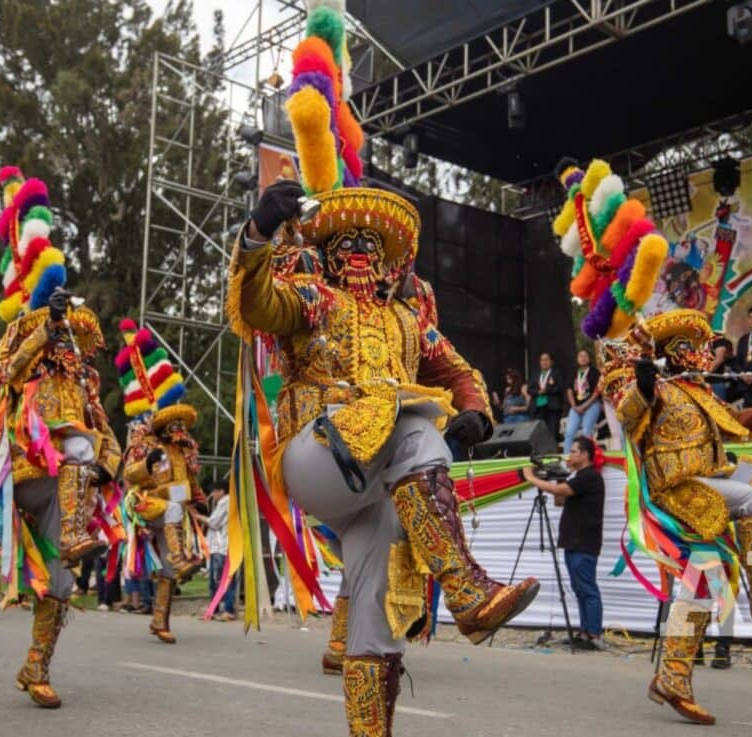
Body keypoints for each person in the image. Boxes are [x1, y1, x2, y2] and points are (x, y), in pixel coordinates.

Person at [229, 20, 538, 732]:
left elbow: (458, 369)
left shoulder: (406, 321)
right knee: (413, 418)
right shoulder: (311, 299)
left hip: (374, 482)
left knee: (373, 616)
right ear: (329, 250)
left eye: (372, 243)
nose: (361, 251)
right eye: (347, 241)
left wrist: (477, 412)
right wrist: (254, 237)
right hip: (316, 455)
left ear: (393, 257)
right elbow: (254, 304)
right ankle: (464, 587)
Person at [605, 309, 752, 725]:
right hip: (675, 489)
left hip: (705, 490)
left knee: (704, 580)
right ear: (676, 351)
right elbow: (628, 417)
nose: (704, 355)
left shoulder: (698, 391)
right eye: (696, 349)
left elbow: (742, 424)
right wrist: (643, 386)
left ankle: (672, 678)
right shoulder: (644, 381)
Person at [0, 167, 122, 708]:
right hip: (23, 471)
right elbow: (3, 377)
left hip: (70, 482)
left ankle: (35, 668)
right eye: (63, 337)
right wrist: (42, 328)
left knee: (60, 585)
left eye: (72, 340)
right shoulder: (16, 352)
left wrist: (109, 464)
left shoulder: (83, 384)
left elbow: (103, 432)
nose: (69, 347)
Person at [116, 321, 205, 643]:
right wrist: (146, 464)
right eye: (173, 423)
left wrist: (198, 498)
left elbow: (190, 482)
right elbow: (129, 475)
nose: (179, 427)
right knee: (169, 517)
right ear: (162, 425)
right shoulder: (146, 443)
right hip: (146, 504)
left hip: (175, 512)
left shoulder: (182, 450)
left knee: (169, 570)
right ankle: (182, 560)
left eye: (181, 423)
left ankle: (160, 622)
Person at [521, 437, 607, 650]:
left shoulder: (590, 476)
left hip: (583, 542)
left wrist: (532, 479)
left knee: (587, 588)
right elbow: (560, 501)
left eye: (575, 451)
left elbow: (561, 492)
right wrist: (558, 476)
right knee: (579, 588)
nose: (571, 455)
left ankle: (594, 634)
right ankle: (585, 631)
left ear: (586, 454)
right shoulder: (578, 476)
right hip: (573, 541)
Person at [205, 481, 236, 621]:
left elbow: (213, 522)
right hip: (219, 545)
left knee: (223, 579)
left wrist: (198, 516)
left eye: (215, 491)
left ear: (221, 491)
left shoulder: (225, 502)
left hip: (222, 546)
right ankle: (215, 608)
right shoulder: (225, 503)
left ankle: (228, 609)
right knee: (216, 580)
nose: (213, 495)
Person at [562, 349, 603, 454]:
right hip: (576, 407)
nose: (583, 358)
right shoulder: (573, 372)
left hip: (592, 405)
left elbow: (597, 391)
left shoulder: (595, 372)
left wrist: (585, 406)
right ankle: (567, 459)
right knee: (569, 432)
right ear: (577, 359)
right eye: (580, 356)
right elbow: (569, 390)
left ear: (589, 358)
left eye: (585, 355)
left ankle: (587, 458)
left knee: (586, 431)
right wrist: (574, 406)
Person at [532, 352, 565, 439]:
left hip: (552, 407)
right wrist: (538, 392)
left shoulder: (556, 373)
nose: (544, 362)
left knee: (552, 432)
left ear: (551, 362)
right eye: (542, 360)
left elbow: (560, 387)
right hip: (538, 408)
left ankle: (553, 452)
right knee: (540, 433)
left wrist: (546, 391)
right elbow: (529, 389)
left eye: (547, 359)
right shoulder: (536, 374)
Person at [705, 333, 734, 400]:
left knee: (717, 408)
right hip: (699, 382)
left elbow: (719, 359)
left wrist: (705, 372)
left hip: (715, 383)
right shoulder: (696, 336)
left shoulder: (718, 338)